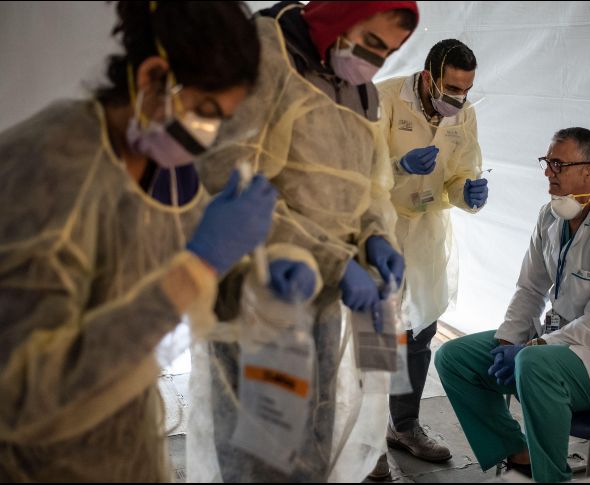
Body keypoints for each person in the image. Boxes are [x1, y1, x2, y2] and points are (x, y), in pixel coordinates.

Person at [0, 1, 303, 481]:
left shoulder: (169, 167)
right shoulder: (48, 167)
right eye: (205, 111)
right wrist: (202, 263)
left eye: (221, 120)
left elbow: (176, 285)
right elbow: (28, 397)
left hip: (128, 439)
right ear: (152, 77)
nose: (207, 137)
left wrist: (250, 281)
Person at [188, 1, 419, 482]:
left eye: (388, 52)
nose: (375, 61)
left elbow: (370, 184)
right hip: (260, 289)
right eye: (371, 42)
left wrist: (375, 236)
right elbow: (230, 176)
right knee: (260, 447)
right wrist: (334, 260)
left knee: (314, 435)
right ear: (342, 13)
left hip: (325, 296)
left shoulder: (360, 89)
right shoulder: (265, 52)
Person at [434, 127, 590, 483]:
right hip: (555, 345)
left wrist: (533, 346)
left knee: (533, 363)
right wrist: (508, 341)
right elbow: (530, 288)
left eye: (558, 164)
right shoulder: (550, 217)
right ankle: (518, 453)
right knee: (453, 358)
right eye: (547, 163)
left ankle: (552, 477)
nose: (549, 172)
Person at [372, 39, 487, 478]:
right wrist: (400, 167)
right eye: (451, 88)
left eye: (466, 89)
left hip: (424, 233)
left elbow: (460, 174)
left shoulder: (464, 113)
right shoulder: (383, 98)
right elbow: (357, 171)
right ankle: (366, 441)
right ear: (427, 77)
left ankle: (403, 426)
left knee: (418, 333)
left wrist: (467, 194)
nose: (458, 99)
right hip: (378, 229)